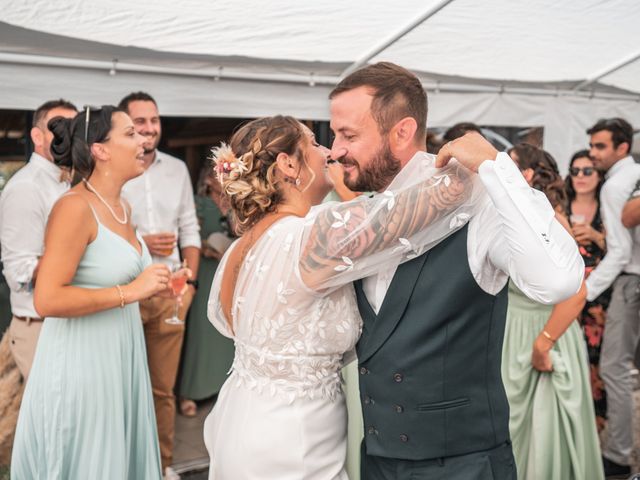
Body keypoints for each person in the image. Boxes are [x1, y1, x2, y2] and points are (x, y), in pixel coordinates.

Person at [204, 114, 502, 478]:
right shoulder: (309, 238)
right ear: (287, 164)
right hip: (293, 438)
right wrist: (482, 160)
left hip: (239, 416)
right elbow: (432, 201)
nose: (327, 151)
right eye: (314, 143)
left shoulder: (241, 248)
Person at [328, 62, 583, 479]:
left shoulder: (477, 198)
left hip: (461, 465)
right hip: (375, 458)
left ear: (402, 132)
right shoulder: (360, 215)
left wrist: (496, 169)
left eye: (349, 135)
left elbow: (558, 281)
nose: (335, 150)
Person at [11, 105, 172, 479]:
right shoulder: (73, 208)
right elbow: (47, 299)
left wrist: (151, 287)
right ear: (100, 150)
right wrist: (130, 291)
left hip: (121, 357)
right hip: (83, 367)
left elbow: (113, 277)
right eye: (131, 133)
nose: (143, 140)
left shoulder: (123, 208)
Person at [501, 143, 604, 479]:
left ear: (528, 175)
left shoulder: (549, 220)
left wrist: (542, 344)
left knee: (542, 435)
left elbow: (578, 292)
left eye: (509, 166)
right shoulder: (509, 216)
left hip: (545, 330)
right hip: (511, 331)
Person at [119, 92, 201, 478]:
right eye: (140, 121)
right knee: (121, 386)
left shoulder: (176, 169)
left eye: (154, 120)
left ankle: (163, 465)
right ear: (125, 126)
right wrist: (142, 241)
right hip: (124, 294)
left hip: (171, 293)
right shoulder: (113, 171)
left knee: (162, 391)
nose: (149, 128)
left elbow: (191, 229)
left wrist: (193, 285)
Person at [0, 99, 77, 379]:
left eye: (73, 128)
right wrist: (82, 259)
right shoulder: (26, 188)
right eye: (59, 128)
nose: (67, 136)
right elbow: (19, 271)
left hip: (67, 323)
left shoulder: (68, 182)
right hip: (39, 328)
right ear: (37, 136)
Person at [583, 118, 640, 478]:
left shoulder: (617, 183)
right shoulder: (632, 177)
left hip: (630, 283)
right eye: (592, 145)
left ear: (623, 147)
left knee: (614, 370)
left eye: (600, 146)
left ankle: (618, 458)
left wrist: (584, 293)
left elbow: (619, 252)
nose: (592, 153)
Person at [176, 164, 234, 416]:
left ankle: (221, 387)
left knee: (226, 331)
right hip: (205, 270)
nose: (225, 179)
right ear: (209, 180)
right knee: (201, 331)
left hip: (228, 272)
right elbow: (186, 235)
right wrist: (207, 249)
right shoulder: (198, 204)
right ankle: (190, 391)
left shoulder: (235, 204)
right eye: (220, 174)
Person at [565, 149, 609, 429]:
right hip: (568, 294)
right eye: (575, 171)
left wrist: (595, 237)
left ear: (598, 175)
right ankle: (573, 420)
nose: (580, 176)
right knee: (570, 355)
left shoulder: (608, 209)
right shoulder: (560, 206)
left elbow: (623, 253)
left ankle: (598, 423)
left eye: (587, 171)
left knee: (598, 360)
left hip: (599, 297)